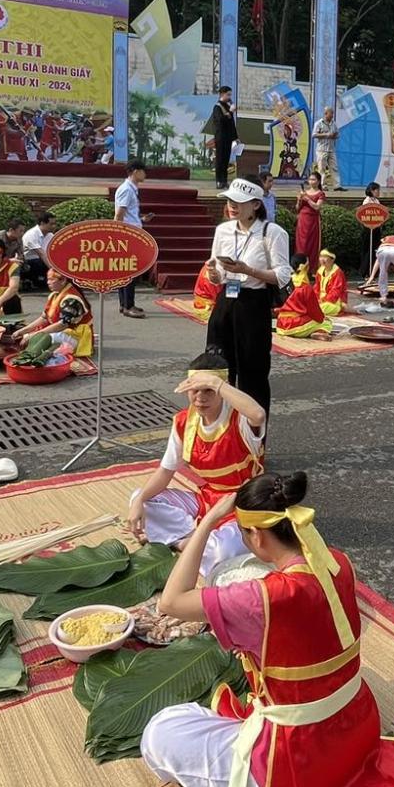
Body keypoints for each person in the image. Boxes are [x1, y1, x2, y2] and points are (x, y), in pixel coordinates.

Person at [141, 471, 394, 787]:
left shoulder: (262, 597)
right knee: (195, 718)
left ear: (257, 535)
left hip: (295, 760)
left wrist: (207, 524)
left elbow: (171, 601)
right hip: (354, 731)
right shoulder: (338, 562)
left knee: (160, 733)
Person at [126, 354, 267, 578]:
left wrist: (217, 383)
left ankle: (185, 543)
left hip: (241, 503)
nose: (200, 398)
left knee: (224, 550)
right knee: (138, 498)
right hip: (207, 499)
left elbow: (258, 414)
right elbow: (165, 471)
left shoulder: (239, 419)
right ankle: (193, 542)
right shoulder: (183, 421)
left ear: (222, 390)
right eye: (195, 390)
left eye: (208, 390)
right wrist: (140, 501)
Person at [206, 179, 292, 411]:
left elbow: (283, 275)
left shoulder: (272, 232)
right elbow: (218, 275)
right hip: (225, 302)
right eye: (230, 200)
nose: (232, 206)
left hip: (253, 305)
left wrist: (248, 270)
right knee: (217, 369)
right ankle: (220, 437)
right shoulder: (223, 230)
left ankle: (253, 439)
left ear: (256, 204)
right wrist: (213, 274)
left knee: (252, 374)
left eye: (239, 202)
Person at [12, 266, 95, 358]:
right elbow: (44, 318)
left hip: (76, 336)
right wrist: (22, 331)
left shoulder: (71, 299)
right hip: (63, 332)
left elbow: (62, 324)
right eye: (48, 279)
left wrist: (35, 335)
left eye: (51, 280)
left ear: (63, 280)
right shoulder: (54, 295)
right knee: (28, 336)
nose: (48, 283)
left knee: (46, 338)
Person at [112, 159, 150, 318]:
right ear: (135, 171)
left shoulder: (131, 189)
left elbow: (127, 214)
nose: (145, 174)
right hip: (127, 235)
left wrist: (141, 219)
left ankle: (125, 304)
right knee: (130, 271)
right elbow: (119, 214)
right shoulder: (127, 189)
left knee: (126, 270)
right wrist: (117, 235)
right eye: (143, 171)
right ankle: (128, 305)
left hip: (131, 231)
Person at [294, 170, 326, 269]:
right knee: (301, 244)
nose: (311, 181)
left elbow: (317, 207)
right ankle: (299, 266)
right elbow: (297, 208)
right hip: (302, 220)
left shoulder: (320, 194)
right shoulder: (304, 192)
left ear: (319, 181)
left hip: (313, 221)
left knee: (312, 244)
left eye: (314, 179)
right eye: (310, 179)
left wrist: (307, 199)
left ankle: (311, 268)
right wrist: (299, 200)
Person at [208, 85, 237, 187]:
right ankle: (219, 181)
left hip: (228, 137)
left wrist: (235, 137)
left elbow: (231, 123)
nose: (229, 97)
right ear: (222, 94)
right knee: (220, 159)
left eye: (230, 95)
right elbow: (220, 121)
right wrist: (230, 112)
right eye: (228, 94)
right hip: (220, 137)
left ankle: (224, 181)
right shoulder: (217, 107)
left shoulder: (228, 107)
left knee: (226, 159)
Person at [310, 247, 348, 317]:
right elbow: (316, 288)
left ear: (332, 259)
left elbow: (335, 292)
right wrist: (314, 299)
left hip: (333, 302)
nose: (322, 259)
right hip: (321, 300)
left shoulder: (337, 272)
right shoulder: (320, 271)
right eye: (321, 256)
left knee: (319, 308)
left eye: (325, 257)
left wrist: (323, 300)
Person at [19, 210, 56, 278]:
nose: (54, 226)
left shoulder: (50, 235)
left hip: (42, 260)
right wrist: (54, 270)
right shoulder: (31, 234)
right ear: (42, 223)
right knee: (39, 262)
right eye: (51, 224)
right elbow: (41, 254)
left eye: (54, 224)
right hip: (30, 262)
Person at [311, 105, 339, 184]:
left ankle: (337, 185)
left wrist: (334, 135)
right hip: (321, 149)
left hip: (331, 149)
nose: (332, 115)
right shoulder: (319, 123)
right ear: (326, 113)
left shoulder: (334, 124)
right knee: (321, 168)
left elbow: (338, 135)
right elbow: (314, 135)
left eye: (333, 113)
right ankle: (322, 185)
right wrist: (326, 135)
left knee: (334, 167)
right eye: (331, 113)